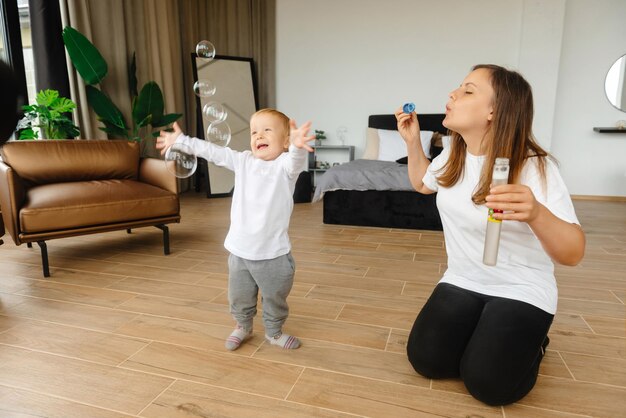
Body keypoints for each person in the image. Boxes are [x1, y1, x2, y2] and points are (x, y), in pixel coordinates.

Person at [395, 64, 585, 406]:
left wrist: (537, 214)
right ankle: (484, 330)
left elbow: (573, 253)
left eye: (468, 91)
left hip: (521, 288)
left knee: (490, 386)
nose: (452, 94)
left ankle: (536, 342)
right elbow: (423, 183)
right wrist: (412, 142)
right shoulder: (454, 152)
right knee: (428, 361)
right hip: (464, 279)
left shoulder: (534, 166)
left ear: (495, 111)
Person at [156, 109, 314, 350]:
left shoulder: (285, 167)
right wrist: (181, 141)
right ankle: (243, 326)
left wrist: (298, 146)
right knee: (239, 295)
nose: (259, 135)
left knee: (275, 297)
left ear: (284, 142)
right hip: (240, 251)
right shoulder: (243, 161)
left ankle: (273, 331)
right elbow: (213, 152)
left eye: (267, 130)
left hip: (273, 254)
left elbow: (296, 160)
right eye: (254, 132)